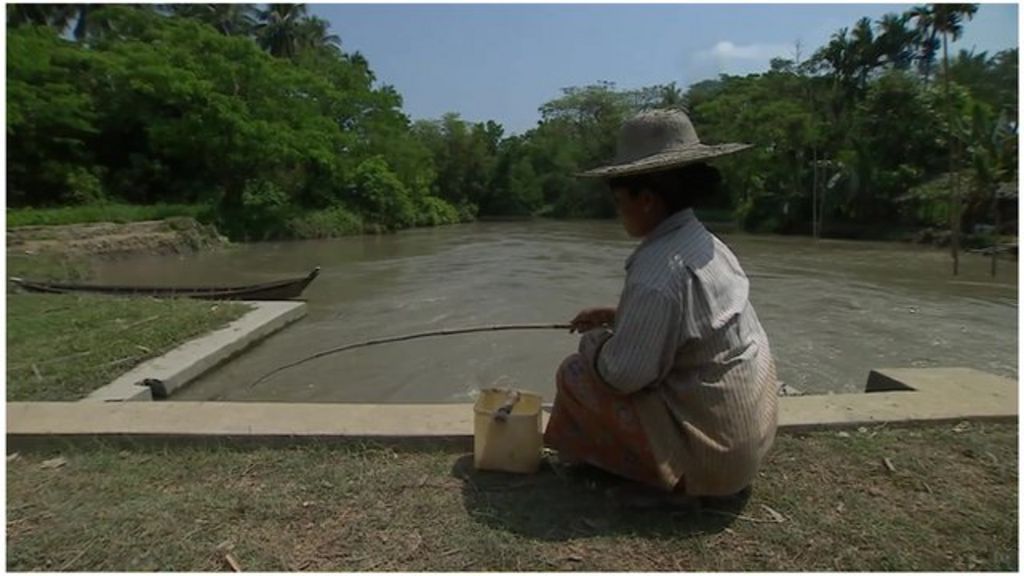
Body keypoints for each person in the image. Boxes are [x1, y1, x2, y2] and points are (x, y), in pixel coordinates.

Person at [544, 109, 779, 497]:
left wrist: (594, 342)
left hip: (713, 465)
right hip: (747, 446)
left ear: (647, 200)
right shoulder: (709, 245)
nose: (618, 212)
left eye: (619, 201)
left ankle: (636, 469)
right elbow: (698, 322)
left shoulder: (656, 272)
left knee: (574, 374)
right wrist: (619, 317)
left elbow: (623, 375)